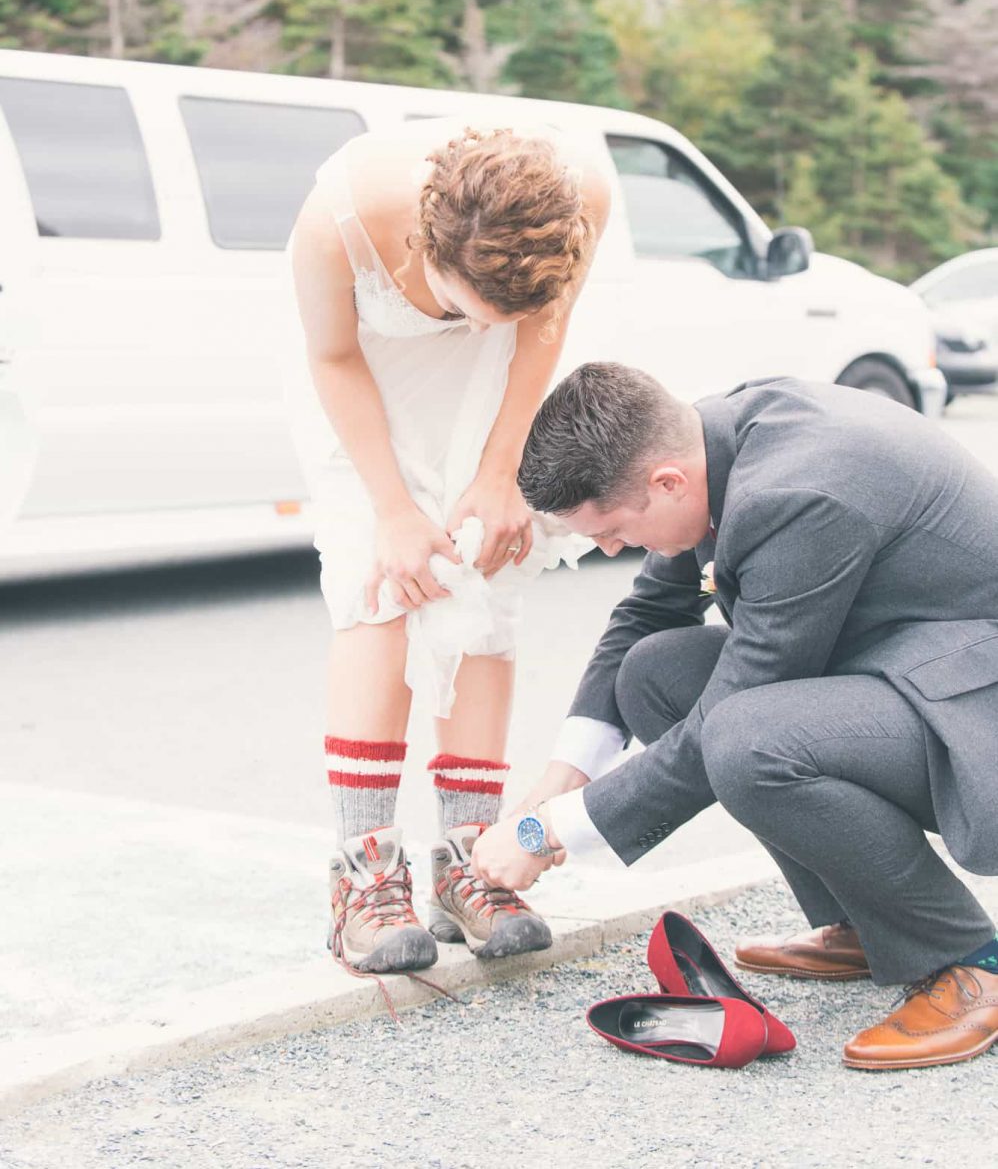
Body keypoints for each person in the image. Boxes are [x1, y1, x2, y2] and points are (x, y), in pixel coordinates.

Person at [472, 362, 998, 1070]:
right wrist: (564, 775)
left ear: (666, 483)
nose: (611, 549)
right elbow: (644, 617)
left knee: (748, 740)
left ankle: (971, 959)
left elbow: (732, 712)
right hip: (898, 668)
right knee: (655, 676)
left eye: (613, 530)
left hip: (970, 703)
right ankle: (868, 921)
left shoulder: (798, 493)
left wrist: (545, 833)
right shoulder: (704, 449)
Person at [285, 120, 610, 977]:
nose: (475, 326)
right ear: (428, 248)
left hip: (495, 387)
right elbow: (331, 354)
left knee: (485, 582)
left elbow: (539, 329)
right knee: (380, 584)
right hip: (368, 379)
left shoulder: (582, 199)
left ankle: (469, 856)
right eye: (467, 308)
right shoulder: (339, 217)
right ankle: (365, 874)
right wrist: (392, 507)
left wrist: (501, 470)